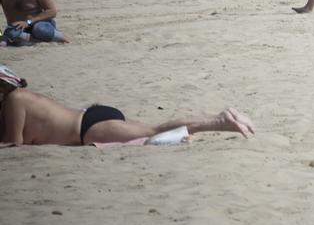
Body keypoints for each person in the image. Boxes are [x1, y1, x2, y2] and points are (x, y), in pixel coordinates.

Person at [0, 65, 254, 145]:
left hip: (89, 128)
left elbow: (14, 144)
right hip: (92, 117)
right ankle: (218, 119)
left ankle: (219, 121)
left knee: (154, 131)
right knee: (154, 133)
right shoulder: (22, 97)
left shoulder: (15, 99)